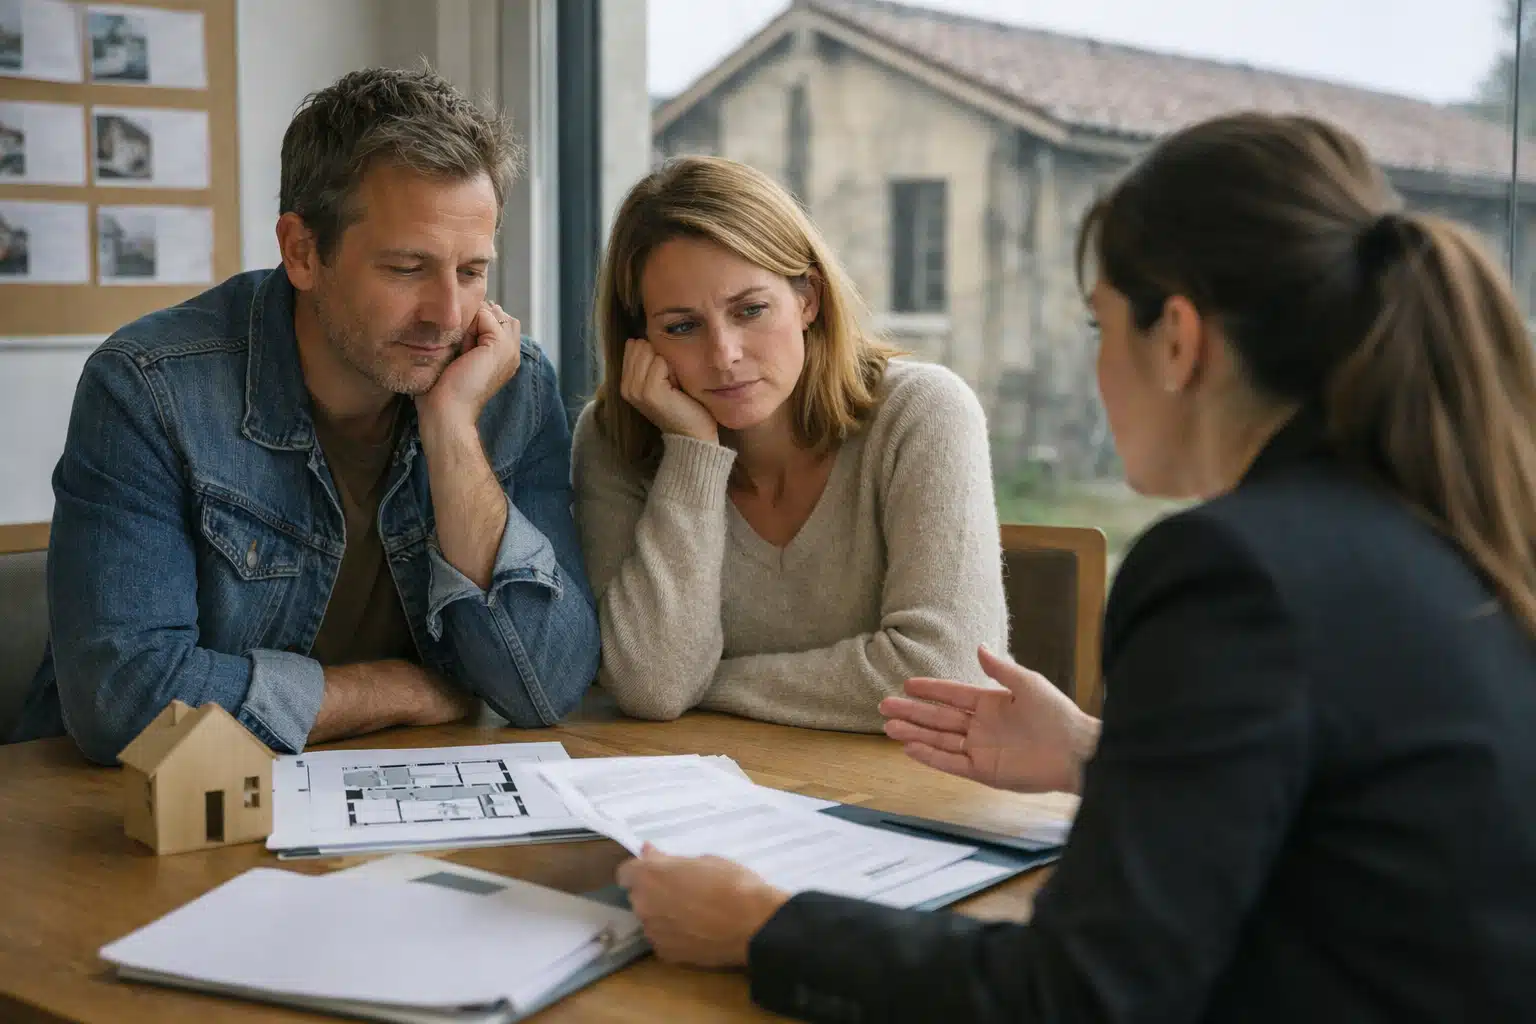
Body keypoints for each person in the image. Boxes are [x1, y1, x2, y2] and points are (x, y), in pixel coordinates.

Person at [613, 112, 1536, 1021]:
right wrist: (1110, 757)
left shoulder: (1230, 573)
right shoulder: (1446, 520)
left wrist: (764, 925)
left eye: (1098, 328)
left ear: (1176, 339)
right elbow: (1361, 819)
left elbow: (1074, 993)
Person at [8, 66, 600, 764]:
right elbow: (125, 700)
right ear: (302, 251)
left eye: (471, 272)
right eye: (407, 269)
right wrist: (398, 692)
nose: (448, 315)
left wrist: (450, 428)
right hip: (117, 815)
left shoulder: (507, 384)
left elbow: (546, 684)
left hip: (387, 799)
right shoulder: (149, 387)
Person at [571, 156, 1008, 732]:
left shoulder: (923, 413)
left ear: (809, 299)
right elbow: (652, 685)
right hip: (712, 794)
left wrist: (707, 681)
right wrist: (693, 453)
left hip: (907, 795)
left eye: (750, 310)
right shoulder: (614, 440)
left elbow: (946, 679)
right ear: (640, 342)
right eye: (682, 327)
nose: (724, 354)